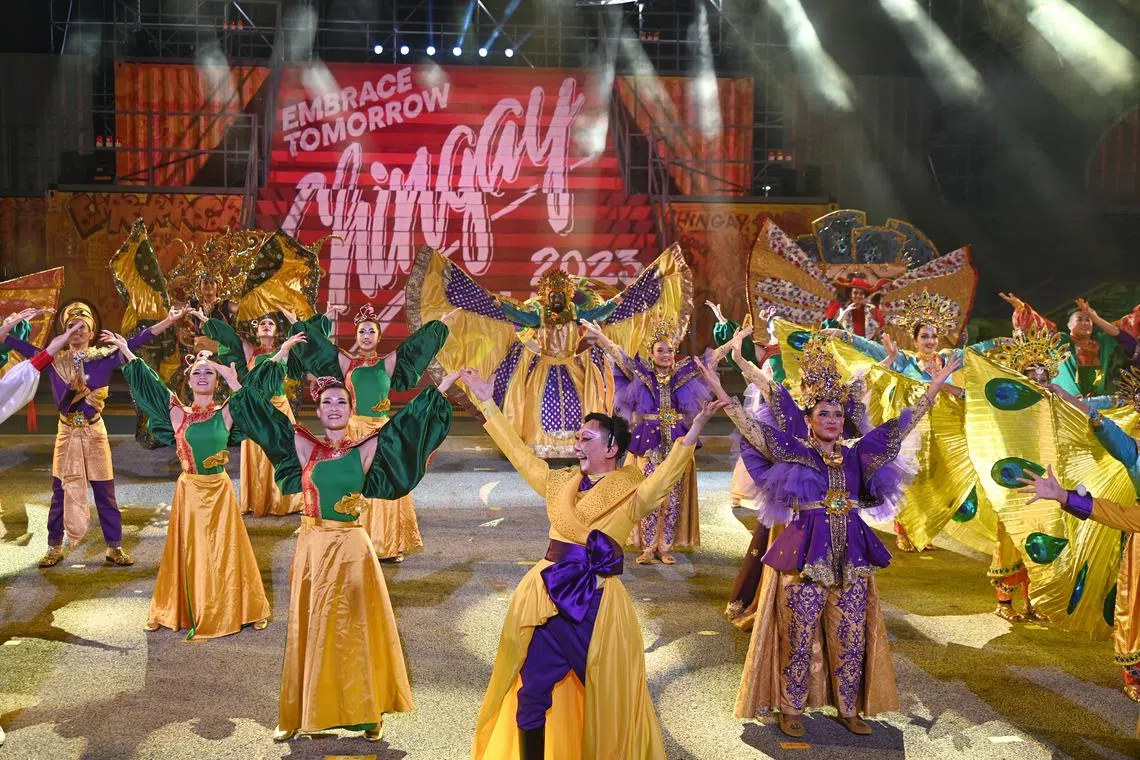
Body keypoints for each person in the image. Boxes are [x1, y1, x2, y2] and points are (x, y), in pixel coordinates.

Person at [461, 365, 725, 760]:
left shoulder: (632, 490)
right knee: (530, 692)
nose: (577, 444)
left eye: (586, 438)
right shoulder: (558, 483)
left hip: (595, 607)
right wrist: (486, 401)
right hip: (545, 599)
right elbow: (519, 454)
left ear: (612, 448)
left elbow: (666, 477)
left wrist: (695, 428)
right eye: (577, 437)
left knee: (609, 697)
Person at [710, 334, 956, 738]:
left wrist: (932, 388)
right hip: (804, 559)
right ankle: (790, 706)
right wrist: (724, 391)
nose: (832, 420)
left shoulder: (859, 454)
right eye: (824, 413)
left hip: (853, 558)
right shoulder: (795, 450)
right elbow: (754, 430)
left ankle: (848, 708)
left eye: (838, 415)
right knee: (799, 635)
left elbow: (901, 425)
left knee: (851, 634)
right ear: (809, 418)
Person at [228, 354, 455, 743]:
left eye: (341, 402)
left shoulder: (366, 448)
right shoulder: (304, 446)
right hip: (313, 547)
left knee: (355, 630)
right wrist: (234, 384)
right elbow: (266, 422)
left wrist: (442, 389)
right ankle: (297, 712)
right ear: (317, 410)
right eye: (327, 402)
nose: (334, 408)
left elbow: (408, 427)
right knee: (308, 626)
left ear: (351, 409)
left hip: (352, 550)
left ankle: (368, 713)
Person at [108, 333, 278, 639]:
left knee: (228, 551)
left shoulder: (225, 412)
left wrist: (232, 377)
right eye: (197, 372)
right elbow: (150, 386)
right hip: (189, 491)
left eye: (209, 372)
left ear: (217, 381)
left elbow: (253, 405)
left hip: (219, 491)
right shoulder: (177, 413)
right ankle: (176, 607)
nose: (202, 376)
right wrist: (126, 352)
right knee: (187, 551)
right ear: (187, 381)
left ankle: (246, 607)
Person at [3, 300, 184, 568]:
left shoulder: (105, 356)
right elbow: (9, 341)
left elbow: (138, 341)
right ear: (63, 332)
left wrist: (169, 321)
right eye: (70, 326)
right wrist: (10, 324)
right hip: (66, 432)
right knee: (59, 491)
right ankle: (54, 546)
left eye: (82, 326)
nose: (76, 331)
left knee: (105, 490)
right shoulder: (54, 359)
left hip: (94, 432)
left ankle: (114, 547)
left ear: (91, 331)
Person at [284, 303, 449, 561]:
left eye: (371, 331)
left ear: (378, 336)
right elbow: (319, 348)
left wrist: (439, 327)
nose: (367, 336)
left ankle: (387, 544)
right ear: (356, 336)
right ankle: (356, 539)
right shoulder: (345, 362)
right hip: (354, 432)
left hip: (382, 433)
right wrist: (300, 326)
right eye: (362, 332)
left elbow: (416, 348)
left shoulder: (389, 363)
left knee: (384, 483)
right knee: (352, 485)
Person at [580, 317, 711, 564]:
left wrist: (734, 344)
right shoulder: (642, 374)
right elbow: (619, 356)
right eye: (660, 350)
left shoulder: (682, 374)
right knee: (648, 495)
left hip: (676, 441)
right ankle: (648, 547)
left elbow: (710, 361)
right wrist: (601, 337)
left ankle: (665, 547)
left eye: (670, 350)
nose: (666, 355)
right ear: (651, 354)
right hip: (648, 444)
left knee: (673, 497)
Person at [197, 310, 304, 517]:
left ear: (276, 331)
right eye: (262, 323)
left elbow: (309, 343)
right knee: (258, 455)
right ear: (256, 330)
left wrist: (294, 321)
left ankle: (282, 501)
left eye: (270, 324)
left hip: (279, 408)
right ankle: (258, 500)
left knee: (281, 452)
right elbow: (228, 336)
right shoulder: (250, 351)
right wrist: (206, 321)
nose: (266, 325)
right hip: (255, 409)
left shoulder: (288, 349)